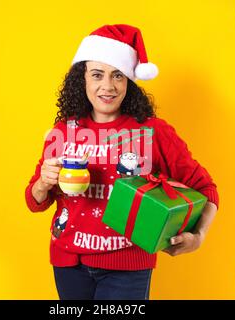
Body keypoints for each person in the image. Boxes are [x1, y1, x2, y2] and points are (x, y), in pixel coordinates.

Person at [25, 24, 219, 300]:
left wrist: (197, 237)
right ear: (82, 80)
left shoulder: (154, 132)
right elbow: (34, 201)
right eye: (97, 75)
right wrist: (43, 183)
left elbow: (205, 187)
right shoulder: (62, 131)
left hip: (127, 268)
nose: (108, 86)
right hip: (68, 264)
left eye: (118, 75)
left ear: (129, 80)